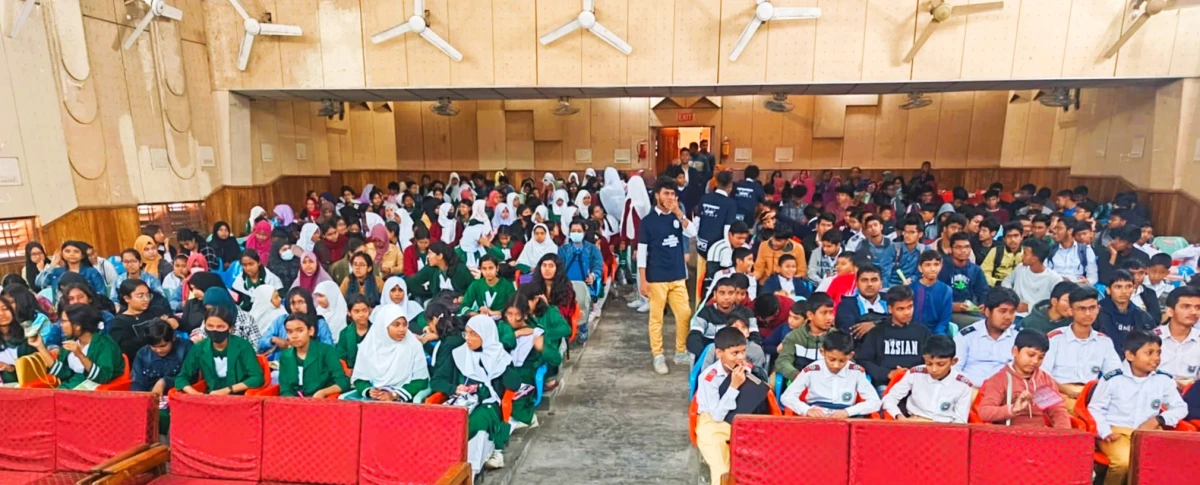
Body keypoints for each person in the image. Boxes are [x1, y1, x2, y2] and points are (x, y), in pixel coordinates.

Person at [1089, 331, 1187, 485]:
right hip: (1117, 432)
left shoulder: (1163, 380)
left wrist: (1158, 419)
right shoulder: (1112, 379)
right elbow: (1095, 409)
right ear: (1130, 355)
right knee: (1123, 463)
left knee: (1165, 461)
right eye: (1149, 353)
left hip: (1149, 432)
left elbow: (1180, 408)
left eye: (1158, 353)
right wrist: (1105, 431)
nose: (1156, 358)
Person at [434, 315, 520, 471]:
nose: (468, 338)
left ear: (486, 335)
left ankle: (467, 468)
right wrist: (454, 388)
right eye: (466, 333)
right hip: (463, 402)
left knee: (477, 420)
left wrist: (501, 363)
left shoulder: (500, 356)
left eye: (473, 334)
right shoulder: (459, 354)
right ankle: (444, 463)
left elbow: (514, 385)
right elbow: (436, 381)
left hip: (488, 404)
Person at [639, 178, 697, 374]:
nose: (670, 197)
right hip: (656, 277)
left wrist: (679, 212)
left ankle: (680, 351)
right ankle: (658, 355)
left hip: (677, 274)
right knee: (657, 319)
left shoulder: (677, 217)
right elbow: (642, 253)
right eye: (666, 193)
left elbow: (692, 232)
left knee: (684, 313)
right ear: (657, 195)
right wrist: (643, 280)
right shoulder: (648, 222)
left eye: (673, 194)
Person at [1043, 286, 1121, 414]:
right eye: (1082, 309)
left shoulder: (1104, 342)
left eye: (1092, 308)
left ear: (1098, 309)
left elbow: (1114, 375)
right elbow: (1042, 374)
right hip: (1058, 393)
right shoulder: (1055, 338)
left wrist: (1096, 392)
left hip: (1090, 395)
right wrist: (1067, 391)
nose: (1088, 314)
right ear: (1071, 310)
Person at [694, 326, 755, 485]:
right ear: (719, 353)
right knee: (722, 470)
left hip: (740, 418)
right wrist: (734, 386)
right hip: (712, 423)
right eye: (735, 353)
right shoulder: (709, 378)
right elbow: (717, 416)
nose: (741, 357)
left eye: (743, 351)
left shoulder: (745, 370)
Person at [976, 330, 1072, 428]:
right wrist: (1013, 409)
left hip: (1040, 433)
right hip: (1010, 434)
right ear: (1015, 351)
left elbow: (1058, 411)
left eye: (1041, 357)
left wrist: (1063, 433)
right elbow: (985, 412)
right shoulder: (999, 380)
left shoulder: (1044, 379)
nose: (1035, 361)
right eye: (1031, 355)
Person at [780, 330, 881, 418]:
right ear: (822, 352)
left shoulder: (856, 372)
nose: (836, 365)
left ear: (851, 355)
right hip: (816, 416)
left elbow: (875, 402)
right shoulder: (811, 370)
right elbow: (787, 397)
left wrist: (848, 411)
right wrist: (807, 410)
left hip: (846, 417)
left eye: (842, 361)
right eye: (832, 359)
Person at [26, 304, 122, 389]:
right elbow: (64, 373)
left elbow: (103, 377)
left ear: (77, 326)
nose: (61, 325)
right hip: (70, 387)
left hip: (93, 393)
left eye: (64, 321)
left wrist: (80, 355)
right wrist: (40, 347)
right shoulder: (72, 342)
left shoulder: (104, 344)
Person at [880, 335, 972, 423]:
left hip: (945, 428)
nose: (934, 369)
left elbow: (960, 421)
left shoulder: (963, 385)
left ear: (953, 361)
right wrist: (899, 416)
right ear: (924, 358)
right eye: (929, 363)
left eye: (941, 364)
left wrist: (932, 424)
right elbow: (889, 398)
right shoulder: (915, 373)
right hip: (913, 422)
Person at [502, 297, 562, 430]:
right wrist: (516, 334)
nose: (513, 319)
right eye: (509, 314)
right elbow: (498, 344)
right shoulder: (502, 326)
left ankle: (528, 418)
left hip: (525, 374)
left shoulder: (536, 332)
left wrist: (542, 348)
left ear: (525, 314)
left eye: (518, 315)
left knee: (516, 405)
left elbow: (556, 358)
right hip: (502, 372)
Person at [176, 306, 264, 395]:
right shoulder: (199, 348)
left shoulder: (243, 346)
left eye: (220, 327)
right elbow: (182, 377)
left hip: (240, 396)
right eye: (210, 326)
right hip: (211, 396)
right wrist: (195, 394)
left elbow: (257, 378)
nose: (214, 330)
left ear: (230, 328)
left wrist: (228, 390)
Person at [857, 285, 930, 389]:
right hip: (886, 384)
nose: (907, 312)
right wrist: (888, 373)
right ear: (890, 309)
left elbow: (931, 360)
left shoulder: (923, 331)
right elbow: (864, 360)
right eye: (901, 309)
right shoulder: (877, 332)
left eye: (910, 307)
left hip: (916, 384)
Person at [953, 287, 1020, 387]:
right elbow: (954, 370)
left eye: (1012, 312)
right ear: (987, 311)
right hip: (970, 388)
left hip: (1005, 390)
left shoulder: (1019, 337)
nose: (1008, 317)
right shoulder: (967, 335)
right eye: (1002, 311)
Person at [275, 312, 350, 399]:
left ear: (311, 331)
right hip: (295, 402)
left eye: (300, 331)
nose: (294, 336)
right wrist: (293, 402)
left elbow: (343, 382)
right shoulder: (285, 356)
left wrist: (323, 392)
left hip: (322, 401)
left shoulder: (327, 351)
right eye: (289, 332)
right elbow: (285, 389)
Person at [687, 278, 759, 359]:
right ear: (715, 294)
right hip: (712, 357)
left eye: (731, 293)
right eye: (722, 293)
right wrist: (709, 356)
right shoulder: (706, 312)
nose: (726, 297)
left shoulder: (746, 313)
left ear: (735, 295)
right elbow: (693, 338)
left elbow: (755, 338)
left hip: (739, 358)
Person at [110, 279, 178, 364]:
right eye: (140, 296)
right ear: (127, 298)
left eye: (148, 295)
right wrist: (153, 331)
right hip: (140, 363)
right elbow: (125, 348)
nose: (146, 299)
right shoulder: (119, 322)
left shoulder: (156, 311)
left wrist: (174, 321)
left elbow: (179, 322)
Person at [258, 288, 334, 361]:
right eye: (293, 303)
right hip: (281, 364)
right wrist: (273, 340)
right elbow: (261, 343)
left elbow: (329, 349)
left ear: (308, 303)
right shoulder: (281, 321)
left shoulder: (318, 323)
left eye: (301, 302)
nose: (297, 307)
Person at [776, 295, 835, 382]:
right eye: (824, 313)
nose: (830, 317)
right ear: (810, 315)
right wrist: (798, 375)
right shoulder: (794, 337)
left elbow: (847, 364)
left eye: (831, 312)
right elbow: (782, 362)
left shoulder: (838, 337)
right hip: (800, 383)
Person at [558, 220, 602, 333]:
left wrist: (593, 275)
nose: (576, 233)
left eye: (579, 231)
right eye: (573, 231)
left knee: (583, 307)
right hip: (566, 284)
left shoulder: (592, 249)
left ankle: (583, 329)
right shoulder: (563, 250)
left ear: (584, 232)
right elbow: (558, 267)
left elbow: (598, 266)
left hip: (585, 284)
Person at [1096, 270, 1157, 353]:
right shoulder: (1096, 312)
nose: (1124, 291)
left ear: (1133, 288)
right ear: (1108, 290)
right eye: (1118, 287)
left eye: (1128, 286)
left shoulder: (1142, 316)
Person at [1001, 238, 1063, 314]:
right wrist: (1011, 296)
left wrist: (1029, 307)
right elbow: (1006, 281)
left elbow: (1056, 303)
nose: (1021, 256)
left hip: (1037, 316)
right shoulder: (1020, 268)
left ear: (1034, 259)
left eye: (1025, 254)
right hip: (1014, 314)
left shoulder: (1054, 278)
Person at [940, 233, 989, 326]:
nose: (963, 250)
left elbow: (983, 292)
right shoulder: (941, 268)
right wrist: (951, 306)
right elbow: (935, 296)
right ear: (951, 249)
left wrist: (983, 305)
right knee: (982, 323)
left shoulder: (976, 270)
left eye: (967, 247)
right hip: (947, 312)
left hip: (970, 311)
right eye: (958, 247)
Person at [130, 319, 191, 395]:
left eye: (163, 346)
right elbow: (137, 382)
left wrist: (165, 382)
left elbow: (191, 377)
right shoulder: (142, 354)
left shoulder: (185, 348)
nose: (158, 350)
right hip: (149, 395)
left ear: (173, 338)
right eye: (153, 346)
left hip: (179, 395)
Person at [35, 241, 108, 299]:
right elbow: (40, 283)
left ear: (82, 255)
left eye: (76, 251)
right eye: (67, 251)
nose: (72, 254)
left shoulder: (91, 272)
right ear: (62, 254)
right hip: (62, 309)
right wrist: (52, 264)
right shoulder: (56, 272)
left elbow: (102, 294)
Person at [833, 264, 888, 340]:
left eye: (874, 280)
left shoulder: (891, 301)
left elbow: (902, 323)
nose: (869, 284)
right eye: (864, 280)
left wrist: (875, 324)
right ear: (857, 284)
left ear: (881, 283)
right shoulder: (846, 305)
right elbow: (849, 331)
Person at [405, 242, 474, 299]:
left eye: (430, 253)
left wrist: (464, 299)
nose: (427, 256)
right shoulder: (430, 269)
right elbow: (414, 280)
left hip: (459, 303)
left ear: (440, 256)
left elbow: (473, 288)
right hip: (440, 303)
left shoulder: (460, 269)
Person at [910, 250, 952, 336]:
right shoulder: (911, 289)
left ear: (941, 266)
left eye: (936, 264)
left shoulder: (946, 290)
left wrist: (937, 336)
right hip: (912, 333)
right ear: (920, 268)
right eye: (928, 265)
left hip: (936, 334)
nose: (933, 269)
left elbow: (944, 321)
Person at [703, 221, 750, 296]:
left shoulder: (746, 248)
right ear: (730, 235)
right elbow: (711, 275)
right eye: (739, 238)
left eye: (744, 238)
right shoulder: (717, 248)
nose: (742, 241)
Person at [1047, 219, 1098, 285]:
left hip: (1076, 286)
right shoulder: (1049, 249)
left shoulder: (1086, 250)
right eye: (1055, 228)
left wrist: (1087, 281)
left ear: (1070, 231)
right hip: (1054, 285)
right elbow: (1044, 273)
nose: (1055, 232)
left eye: (1059, 228)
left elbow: (1093, 277)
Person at [980, 222, 1024, 286]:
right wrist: (997, 283)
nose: (1012, 239)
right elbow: (983, 273)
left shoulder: (1027, 252)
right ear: (1004, 239)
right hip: (997, 286)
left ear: (1022, 237)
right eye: (1009, 236)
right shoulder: (995, 251)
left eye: (1016, 236)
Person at [338, 294, 372, 369]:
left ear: (369, 310)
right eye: (357, 311)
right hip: (352, 371)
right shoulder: (344, 333)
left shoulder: (376, 330)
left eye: (364, 310)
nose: (361, 315)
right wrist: (347, 370)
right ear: (349, 312)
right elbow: (341, 357)